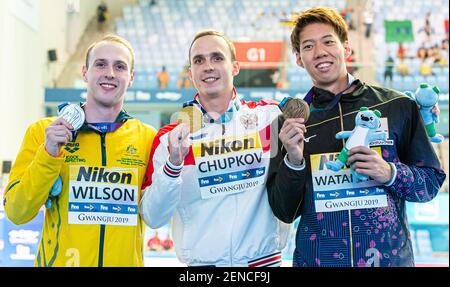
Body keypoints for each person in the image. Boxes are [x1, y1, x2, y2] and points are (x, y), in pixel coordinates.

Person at [266, 7, 446, 267]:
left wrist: (390, 173)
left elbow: (430, 183)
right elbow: (284, 211)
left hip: (389, 261)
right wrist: (294, 161)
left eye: (328, 41)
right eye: (308, 46)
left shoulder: (397, 105)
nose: (320, 52)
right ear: (298, 58)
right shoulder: (290, 122)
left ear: (346, 49)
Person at [139, 29, 291, 267]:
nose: (208, 66)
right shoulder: (169, 139)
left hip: (263, 265)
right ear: (191, 73)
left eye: (217, 58)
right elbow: (153, 217)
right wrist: (173, 166)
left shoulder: (270, 117)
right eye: (199, 60)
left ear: (235, 67)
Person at [3, 35, 157, 267]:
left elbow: (157, 212)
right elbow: (17, 212)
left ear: (131, 77)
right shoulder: (43, 132)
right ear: (85, 73)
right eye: (101, 64)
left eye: (120, 66)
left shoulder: (147, 138)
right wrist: (48, 154)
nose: (110, 73)